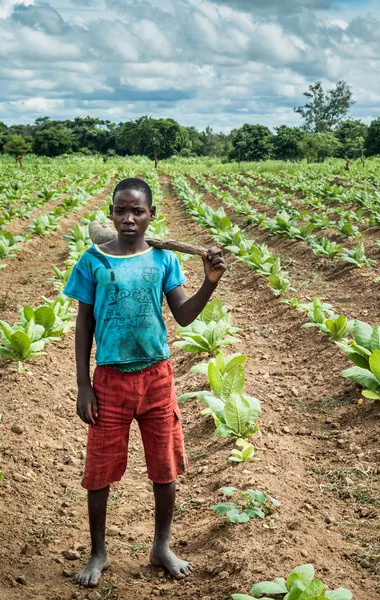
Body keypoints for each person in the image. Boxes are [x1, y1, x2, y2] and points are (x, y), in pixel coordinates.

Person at [62, 177, 226, 587]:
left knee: (164, 466)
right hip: (110, 380)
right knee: (99, 469)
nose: (129, 218)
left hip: (156, 376)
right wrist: (83, 384)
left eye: (138, 211)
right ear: (112, 215)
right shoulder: (94, 261)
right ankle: (98, 552)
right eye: (121, 210)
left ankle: (161, 546)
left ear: (151, 215)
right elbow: (84, 321)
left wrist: (209, 282)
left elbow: (184, 316)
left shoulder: (164, 261)